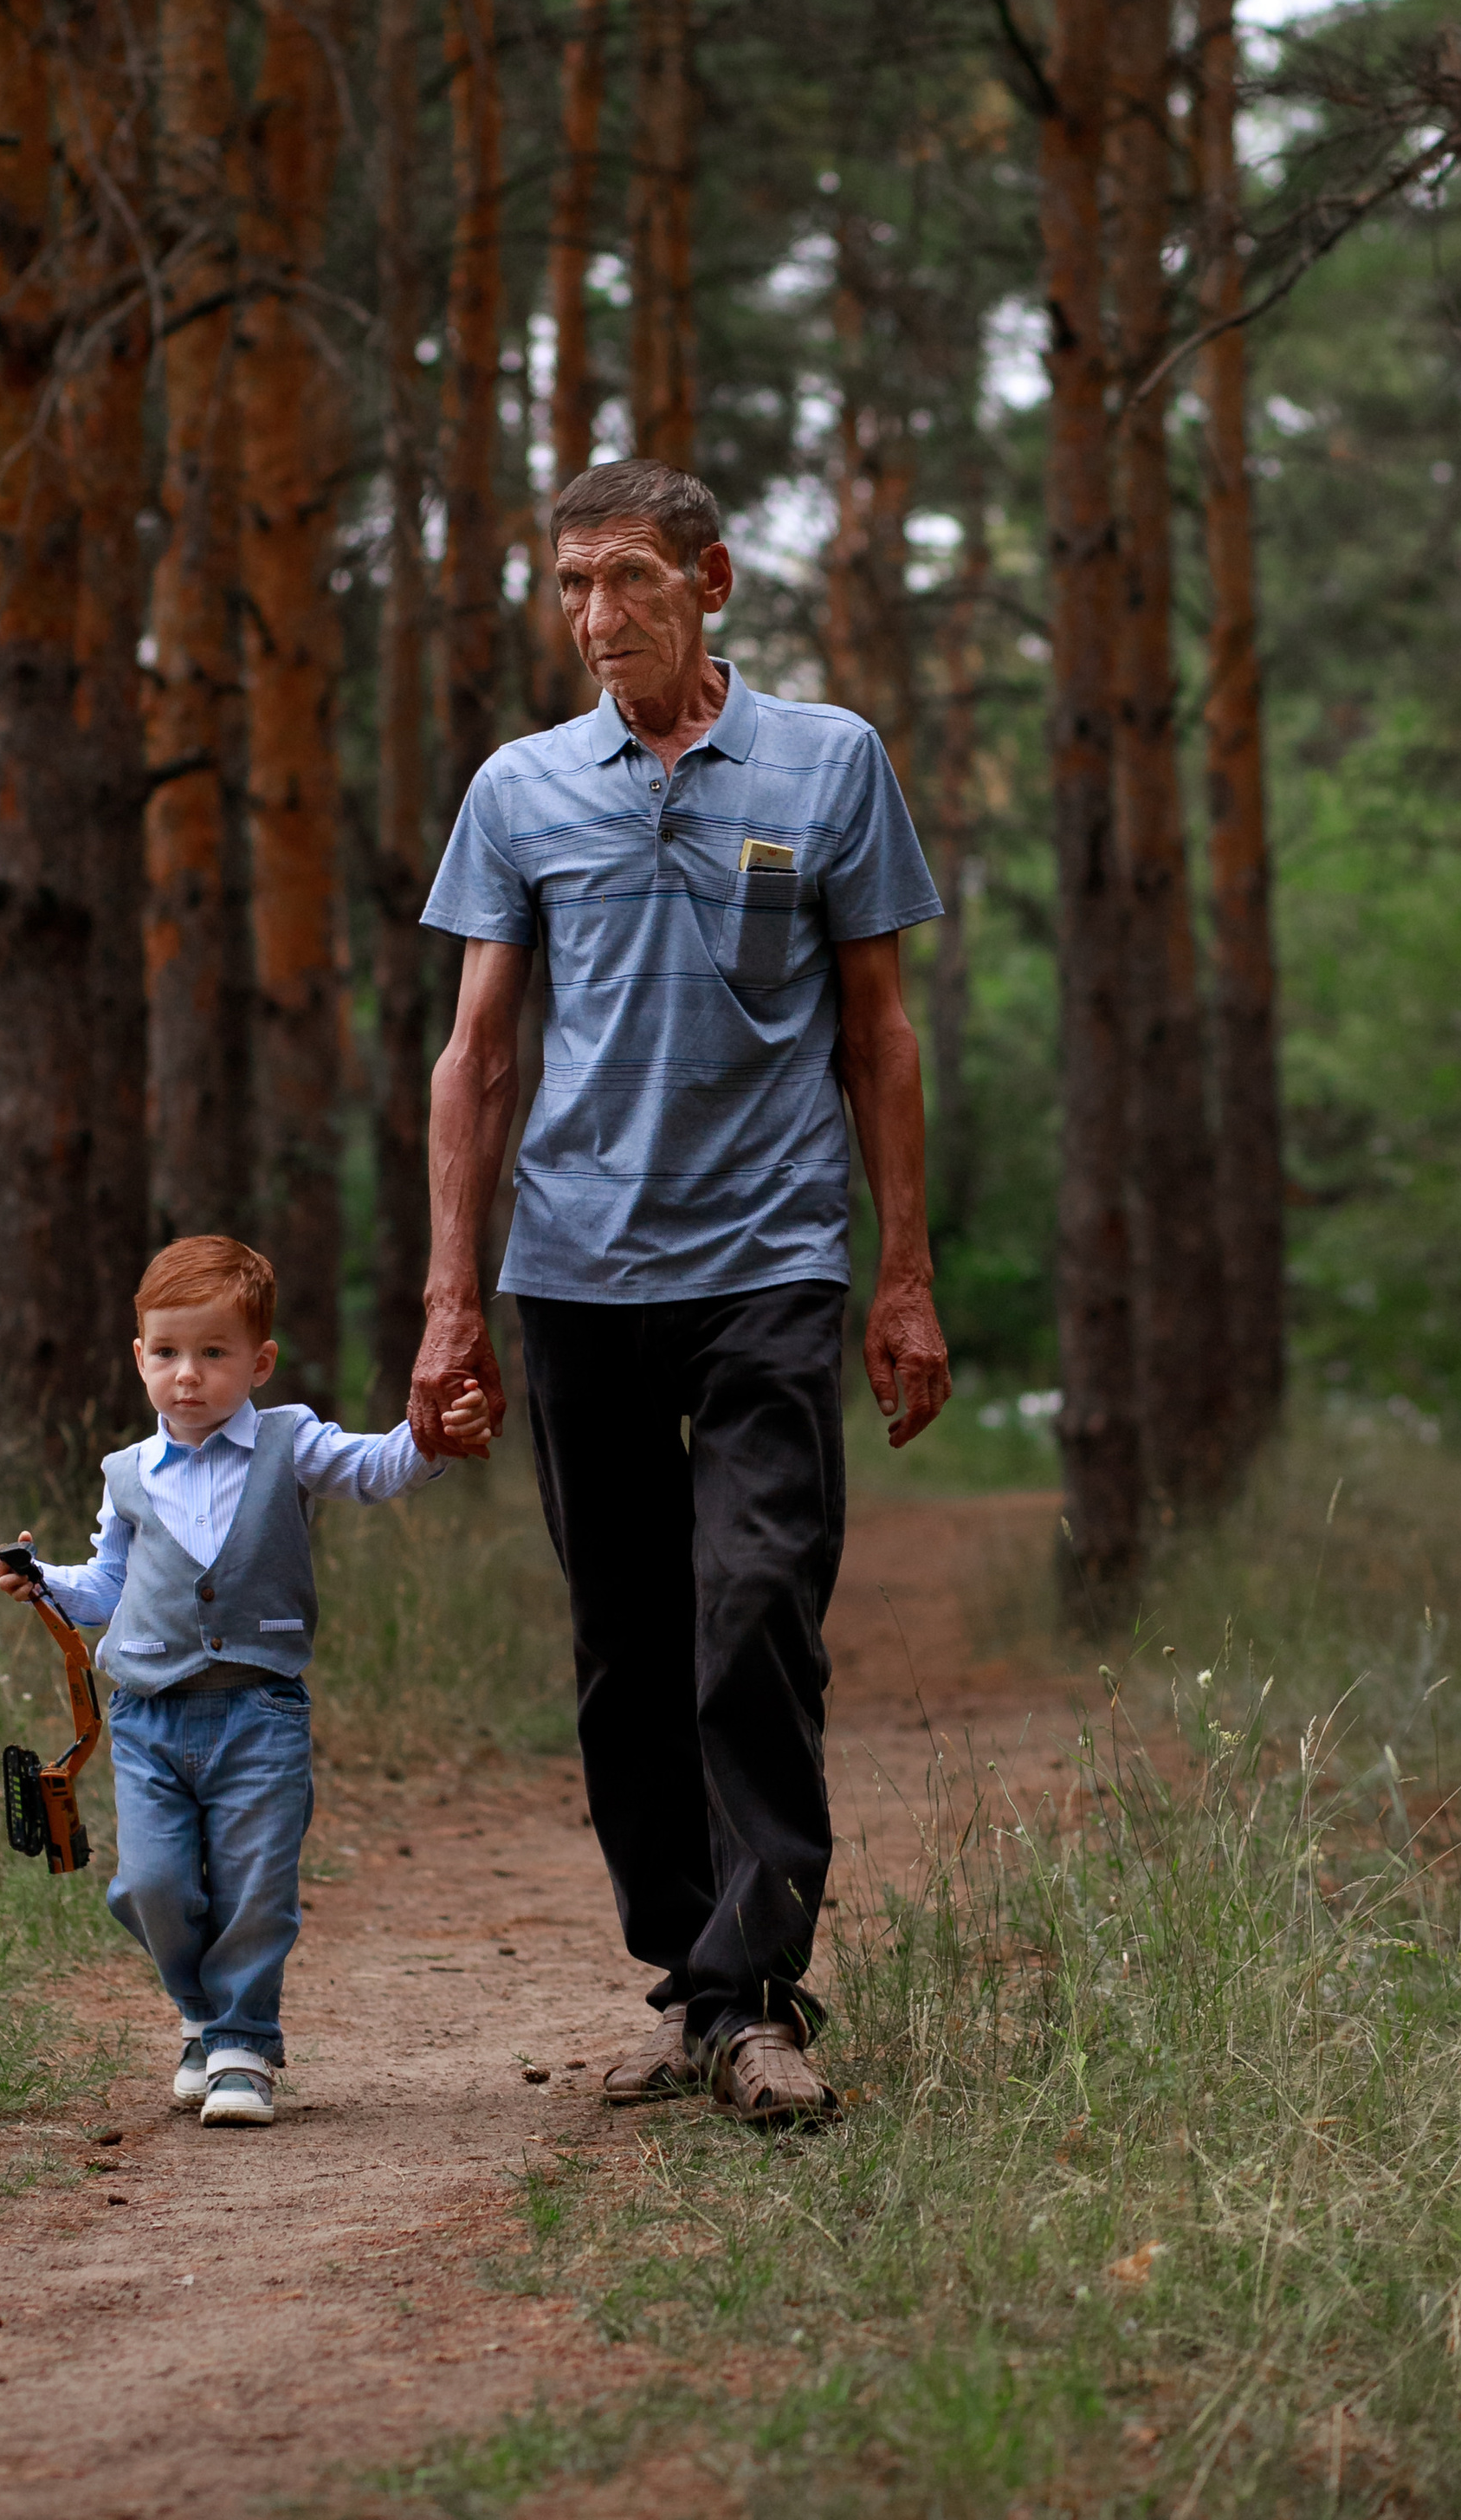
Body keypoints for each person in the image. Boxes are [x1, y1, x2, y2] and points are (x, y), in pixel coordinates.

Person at [410, 457, 952, 2126]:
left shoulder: (829, 760)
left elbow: (878, 1033)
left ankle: (757, 1993)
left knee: (758, 1606)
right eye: (572, 585)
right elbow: (479, 1058)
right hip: (576, 1273)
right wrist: (449, 1303)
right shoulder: (523, 789)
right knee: (625, 1643)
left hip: (774, 1259)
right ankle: (694, 1981)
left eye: (628, 580)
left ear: (710, 583)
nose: (594, 620)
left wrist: (904, 1276)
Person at [0, 1234, 490, 2130]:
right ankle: (204, 2013)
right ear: (139, 1357)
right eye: (169, 1353)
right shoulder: (127, 1475)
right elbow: (108, 1588)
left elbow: (375, 1469)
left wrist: (432, 1437)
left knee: (256, 1885)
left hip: (257, 1711)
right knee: (150, 1884)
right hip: (147, 1717)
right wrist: (45, 1581)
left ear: (257, 1362)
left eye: (213, 1354)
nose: (189, 1375)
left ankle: (242, 2045)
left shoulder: (290, 1443)